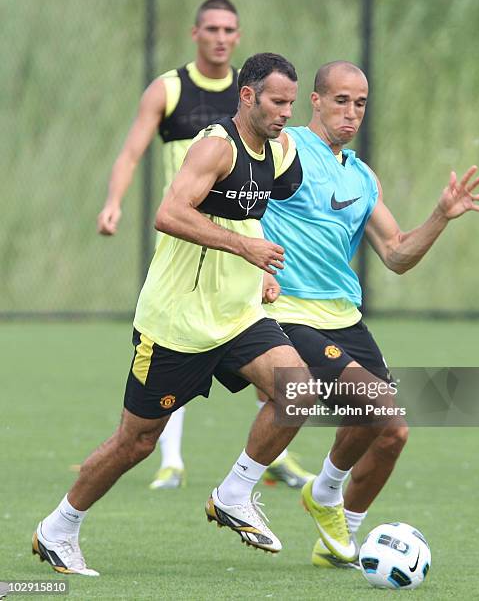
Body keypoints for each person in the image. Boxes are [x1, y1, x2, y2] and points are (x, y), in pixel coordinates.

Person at [32, 53, 318, 576]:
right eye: (277, 101)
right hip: (176, 324)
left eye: (292, 103)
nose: (285, 112)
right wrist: (245, 250)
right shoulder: (215, 145)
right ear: (248, 96)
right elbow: (169, 214)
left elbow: (247, 215)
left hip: (236, 317)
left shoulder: (276, 151)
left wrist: (259, 269)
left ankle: (234, 493)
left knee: (296, 389)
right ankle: (60, 527)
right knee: (137, 442)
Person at [260, 60, 479, 567]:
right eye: (341, 100)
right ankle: (323, 495)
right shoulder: (286, 148)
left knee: (391, 434)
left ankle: (338, 539)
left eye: (360, 103)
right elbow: (242, 199)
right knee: (379, 405)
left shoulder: (363, 177)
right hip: (292, 313)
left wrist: (440, 216)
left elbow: (396, 254)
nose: (351, 112)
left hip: (344, 316)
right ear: (316, 101)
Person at [98, 0, 311, 491]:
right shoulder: (170, 90)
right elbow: (133, 154)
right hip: (187, 241)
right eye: (211, 28)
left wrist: (257, 259)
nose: (219, 37)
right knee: (183, 342)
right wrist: (113, 201)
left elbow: (256, 197)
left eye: (228, 30)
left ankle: (263, 463)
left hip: (236, 251)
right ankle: (169, 456)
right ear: (196, 33)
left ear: (238, 38)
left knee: (280, 365)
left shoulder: (259, 95)